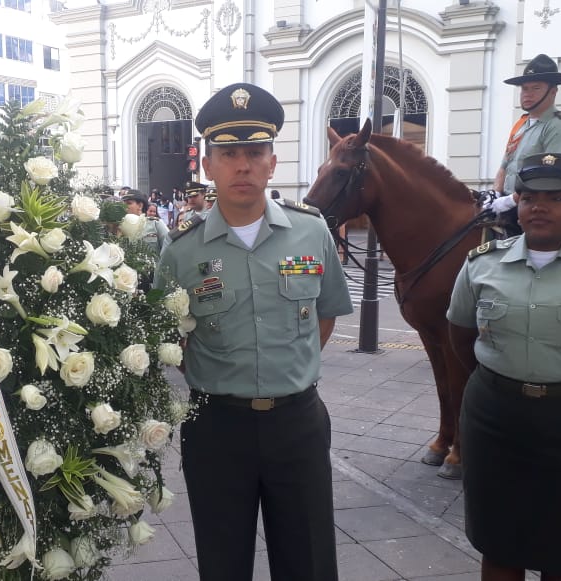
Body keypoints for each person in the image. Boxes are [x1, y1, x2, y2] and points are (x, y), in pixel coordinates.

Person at [155, 83, 353, 581]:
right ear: (208, 166)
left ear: (272, 162)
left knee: (308, 562)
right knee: (222, 562)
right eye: (228, 154)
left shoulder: (311, 232)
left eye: (254, 152)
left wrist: (288, 368)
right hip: (217, 427)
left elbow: (324, 315)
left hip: (297, 423)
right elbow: (170, 338)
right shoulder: (181, 251)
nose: (242, 165)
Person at [448, 153, 561, 581]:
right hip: (495, 418)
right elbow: (459, 337)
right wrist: (496, 381)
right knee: (498, 543)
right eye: (529, 197)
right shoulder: (480, 264)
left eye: (556, 198)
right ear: (517, 204)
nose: (539, 207)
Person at [485, 54, 561, 236]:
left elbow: (551, 177)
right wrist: (496, 194)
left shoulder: (558, 127)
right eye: (524, 88)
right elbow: (505, 165)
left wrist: (510, 201)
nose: (527, 94)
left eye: (536, 88)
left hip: (536, 209)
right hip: (510, 204)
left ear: (553, 92)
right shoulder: (521, 125)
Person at [122, 189, 169, 255]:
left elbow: (169, 247)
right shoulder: (121, 227)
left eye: (129, 203)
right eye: (123, 204)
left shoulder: (155, 224)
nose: (124, 207)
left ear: (140, 206)